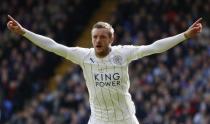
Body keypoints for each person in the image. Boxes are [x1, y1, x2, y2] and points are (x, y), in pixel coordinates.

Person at [7, 14, 202, 124]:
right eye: (95, 37)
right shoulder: (83, 56)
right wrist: (24, 32)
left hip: (126, 118)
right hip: (99, 119)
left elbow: (154, 47)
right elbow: (53, 46)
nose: (98, 40)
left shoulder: (123, 54)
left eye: (102, 36)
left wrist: (184, 35)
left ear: (111, 38)